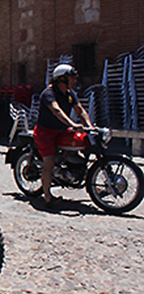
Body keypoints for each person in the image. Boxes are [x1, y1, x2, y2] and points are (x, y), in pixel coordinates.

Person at [34, 64, 92, 207]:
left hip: (62, 130)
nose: (74, 81)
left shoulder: (70, 94)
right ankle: (48, 197)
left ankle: (87, 181)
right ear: (61, 79)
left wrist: (89, 127)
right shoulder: (49, 93)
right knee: (49, 161)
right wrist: (72, 124)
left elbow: (80, 110)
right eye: (71, 78)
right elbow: (56, 110)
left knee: (82, 142)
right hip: (45, 132)